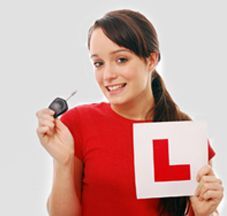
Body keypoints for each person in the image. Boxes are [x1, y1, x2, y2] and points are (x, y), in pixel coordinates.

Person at [36, 9, 223, 216]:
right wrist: (63, 163)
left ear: (151, 60)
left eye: (121, 60)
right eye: (98, 63)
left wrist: (203, 213)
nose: (107, 75)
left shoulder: (184, 135)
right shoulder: (78, 123)